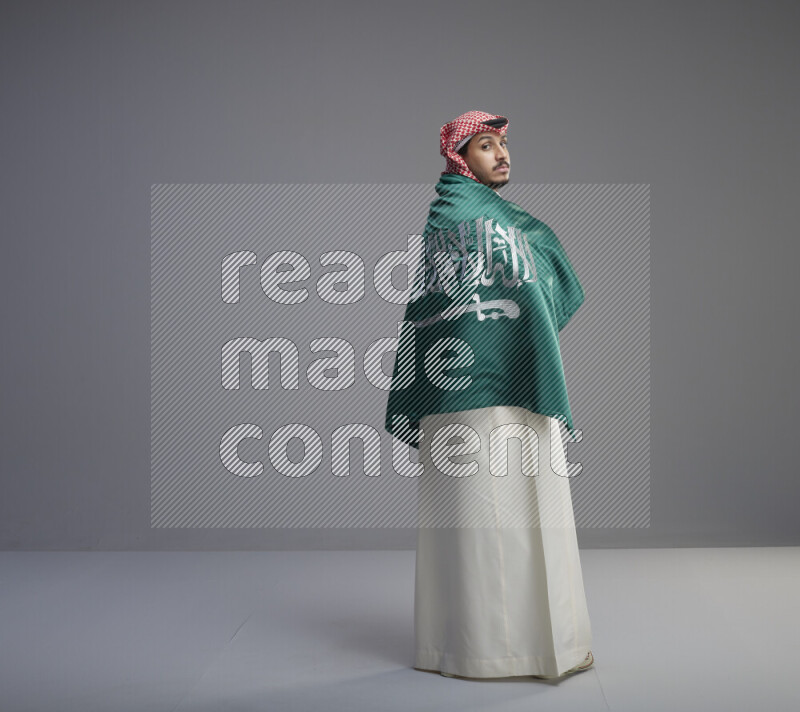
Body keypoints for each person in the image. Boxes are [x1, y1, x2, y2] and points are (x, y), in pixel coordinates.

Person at [385, 110, 594, 680]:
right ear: (459, 157)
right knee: (477, 515)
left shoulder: (506, 219)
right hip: (467, 393)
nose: (501, 154)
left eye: (504, 144)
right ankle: (478, 649)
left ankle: (551, 642)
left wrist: (527, 331)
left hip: (521, 380)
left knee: (535, 508)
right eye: (485, 146)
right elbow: (447, 305)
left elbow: (534, 283)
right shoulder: (453, 217)